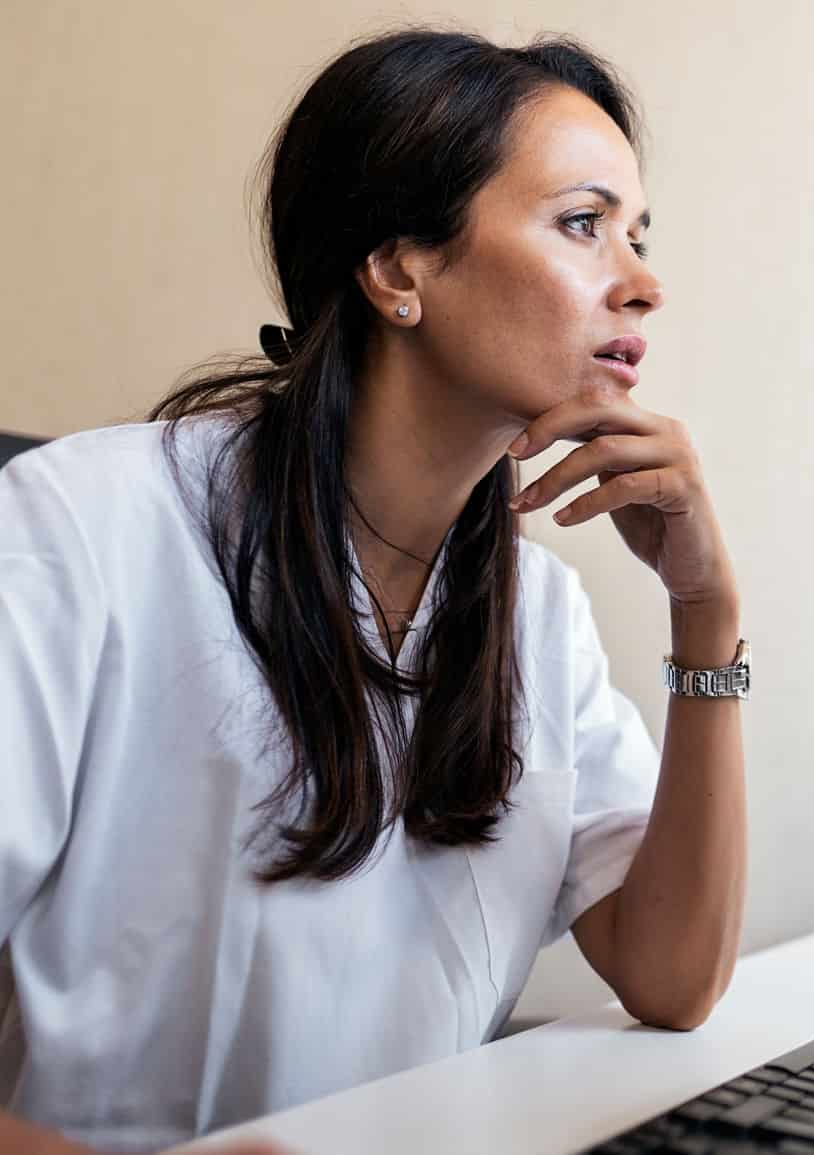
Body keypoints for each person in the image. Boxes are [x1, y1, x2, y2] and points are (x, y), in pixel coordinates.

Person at [0, 28, 748, 1154]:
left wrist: (709, 620)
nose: (641, 285)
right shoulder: (83, 530)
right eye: (583, 224)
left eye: (636, 237)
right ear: (399, 268)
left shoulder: (534, 610)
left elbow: (671, 973)